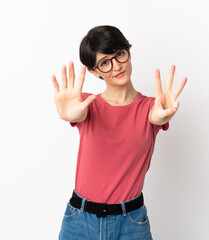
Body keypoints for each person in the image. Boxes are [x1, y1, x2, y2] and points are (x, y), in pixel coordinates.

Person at [52, 25, 187, 240]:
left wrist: (162, 115)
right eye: (105, 62)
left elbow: (156, 116)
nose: (116, 66)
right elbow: (75, 113)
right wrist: (69, 113)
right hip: (79, 221)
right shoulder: (88, 105)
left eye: (119, 54)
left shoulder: (151, 108)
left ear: (128, 53)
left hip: (131, 223)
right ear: (94, 71)